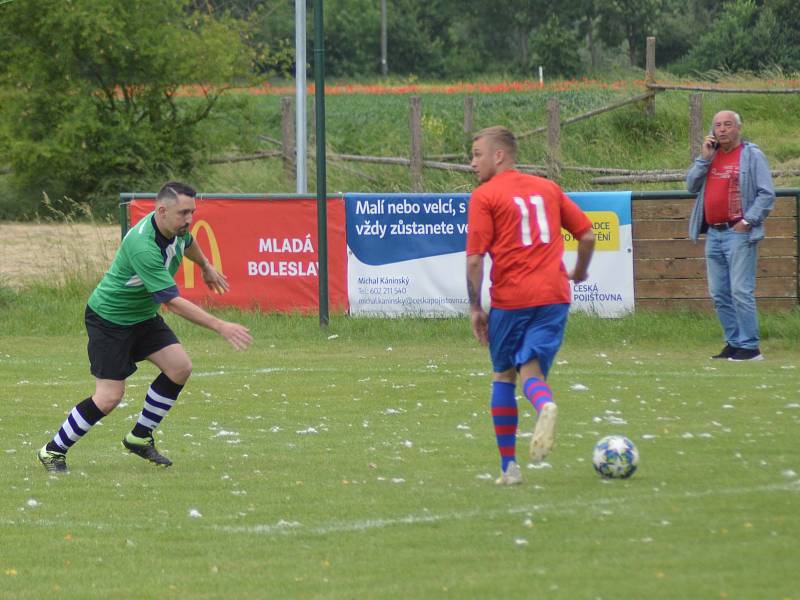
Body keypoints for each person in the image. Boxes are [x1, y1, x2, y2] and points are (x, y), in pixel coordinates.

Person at [37, 182, 253, 473]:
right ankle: (53, 450)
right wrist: (220, 325)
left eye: (192, 212)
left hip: (142, 317)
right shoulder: (142, 244)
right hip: (110, 320)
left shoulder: (176, 228)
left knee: (179, 367)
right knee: (109, 396)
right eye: (183, 213)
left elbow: (188, 242)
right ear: (161, 211)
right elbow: (172, 302)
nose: (189, 219)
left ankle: (139, 436)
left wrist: (205, 266)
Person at [466, 126, 595, 486]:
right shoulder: (547, 188)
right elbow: (587, 234)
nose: (471, 162)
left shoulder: (485, 196)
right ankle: (544, 404)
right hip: (554, 296)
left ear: (499, 155)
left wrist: (476, 307)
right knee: (531, 371)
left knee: (503, 374)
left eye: (477, 154)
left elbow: (475, 260)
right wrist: (579, 272)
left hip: (512, 298)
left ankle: (509, 467)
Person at [687, 110, 775, 361]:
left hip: (738, 233)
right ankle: (733, 342)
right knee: (719, 293)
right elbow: (690, 185)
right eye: (717, 125)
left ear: (738, 128)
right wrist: (703, 159)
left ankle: (750, 346)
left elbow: (766, 194)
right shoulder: (710, 157)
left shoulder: (751, 155)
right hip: (713, 233)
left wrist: (748, 221)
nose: (722, 129)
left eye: (728, 125)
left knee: (740, 290)